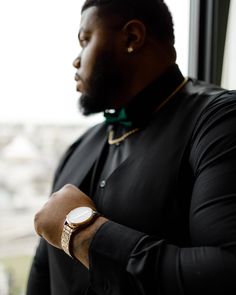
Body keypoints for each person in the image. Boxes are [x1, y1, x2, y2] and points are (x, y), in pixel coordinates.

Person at [27, 0, 236, 294]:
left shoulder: (220, 121)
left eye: (85, 40)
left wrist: (82, 233)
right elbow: (43, 269)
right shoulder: (78, 148)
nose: (76, 60)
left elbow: (225, 273)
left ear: (132, 37)